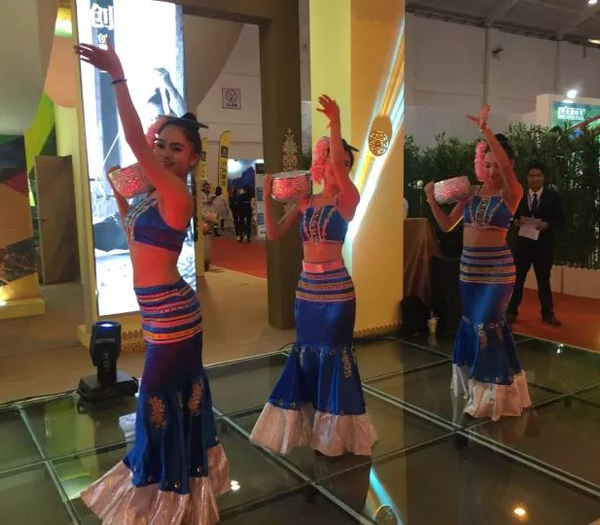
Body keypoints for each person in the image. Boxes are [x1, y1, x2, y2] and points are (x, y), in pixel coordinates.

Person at [75, 40, 229, 523]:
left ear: (193, 159)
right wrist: (125, 182)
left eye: (175, 148)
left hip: (174, 318)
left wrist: (117, 76)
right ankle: (177, 495)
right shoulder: (149, 196)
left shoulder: (177, 195)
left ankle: (160, 496)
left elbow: (135, 146)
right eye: (160, 145)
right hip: (160, 313)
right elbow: (127, 213)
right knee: (171, 402)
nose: (163, 153)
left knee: (156, 402)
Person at [249, 94, 378, 456]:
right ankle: (313, 428)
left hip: (336, 293)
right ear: (321, 163)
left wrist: (335, 123)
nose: (339, 166)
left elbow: (337, 161)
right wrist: (265, 194)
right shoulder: (306, 201)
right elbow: (275, 233)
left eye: (346, 163)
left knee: (335, 356)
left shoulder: (347, 200)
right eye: (334, 159)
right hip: (307, 291)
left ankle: (336, 436)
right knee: (306, 354)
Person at [425, 104, 531, 421]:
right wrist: (431, 200)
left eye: (498, 164)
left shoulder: (512, 193)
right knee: (477, 324)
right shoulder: (470, 192)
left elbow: (507, 170)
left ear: (508, 165)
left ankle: (490, 398)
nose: (493, 170)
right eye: (487, 164)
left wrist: (485, 130)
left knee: (486, 324)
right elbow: (447, 226)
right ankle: (493, 390)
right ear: (479, 164)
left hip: (497, 272)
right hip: (468, 271)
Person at [506, 162, 564, 326]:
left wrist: (547, 225)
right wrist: (515, 222)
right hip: (523, 245)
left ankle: (548, 313)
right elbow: (511, 216)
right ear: (527, 178)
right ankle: (511, 311)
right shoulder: (520, 196)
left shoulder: (553, 197)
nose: (535, 179)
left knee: (543, 280)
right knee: (518, 279)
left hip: (543, 246)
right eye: (532, 176)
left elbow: (560, 219)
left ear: (543, 177)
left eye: (538, 175)